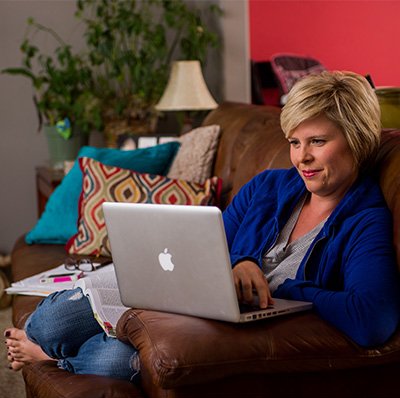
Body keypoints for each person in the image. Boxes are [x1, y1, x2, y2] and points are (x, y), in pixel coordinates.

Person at [4, 71, 400, 380]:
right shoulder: (268, 187)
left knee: (116, 364)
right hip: (188, 303)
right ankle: (63, 341)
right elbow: (206, 248)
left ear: (357, 139)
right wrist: (240, 261)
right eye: (294, 143)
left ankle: (52, 357)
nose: (302, 158)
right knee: (49, 321)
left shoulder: (364, 219)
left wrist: (284, 286)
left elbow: (373, 319)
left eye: (316, 141)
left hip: (225, 329)